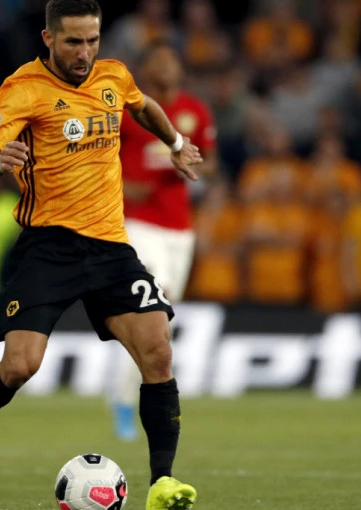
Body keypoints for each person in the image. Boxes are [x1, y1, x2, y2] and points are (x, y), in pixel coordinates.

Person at [0, 1, 201, 508]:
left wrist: (176, 141)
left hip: (110, 246)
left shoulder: (113, 75)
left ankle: (162, 482)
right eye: (73, 41)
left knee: (158, 352)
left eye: (92, 40)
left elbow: (142, 106)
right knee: (19, 367)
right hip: (48, 246)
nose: (84, 52)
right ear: (49, 39)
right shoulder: (23, 87)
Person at [113, 40, 216, 441]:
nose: (165, 66)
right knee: (156, 305)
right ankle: (128, 402)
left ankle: (126, 397)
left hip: (180, 228)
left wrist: (185, 164)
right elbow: (100, 158)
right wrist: (123, 186)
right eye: (157, 60)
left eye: (171, 59)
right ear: (146, 69)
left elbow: (211, 160)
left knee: (160, 322)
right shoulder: (130, 111)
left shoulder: (194, 110)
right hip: (139, 223)